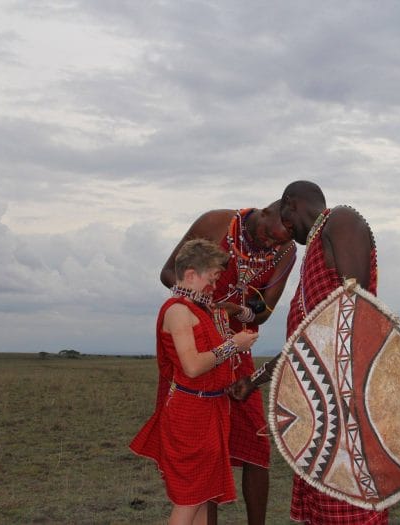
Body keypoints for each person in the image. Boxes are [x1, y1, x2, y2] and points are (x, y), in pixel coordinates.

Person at [230, 181, 388, 524]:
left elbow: (358, 308)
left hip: (345, 403)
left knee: (352, 510)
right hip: (321, 411)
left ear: (291, 205)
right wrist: (254, 381)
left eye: (285, 225)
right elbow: (305, 345)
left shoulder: (341, 220)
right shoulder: (313, 256)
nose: (285, 235)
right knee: (325, 513)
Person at [161, 201, 296, 525]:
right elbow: (169, 273)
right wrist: (210, 306)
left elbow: (263, 311)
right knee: (206, 451)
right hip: (201, 342)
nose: (269, 244)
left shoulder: (284, 252)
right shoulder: (215, 223)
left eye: (277, 241)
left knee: (256, 445)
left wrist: (240, 314)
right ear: (263, 212)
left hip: (237, 353)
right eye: (267, 234)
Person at [130, 238, 259, 525]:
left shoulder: (199, 310)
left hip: (210, 412)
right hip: (190, 417)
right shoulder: (178, 311)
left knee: (201, 497)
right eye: (212, 278)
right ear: (190, 275)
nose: (214, 286)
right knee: (188, 502)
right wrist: (233, 345)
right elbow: (192, 366)